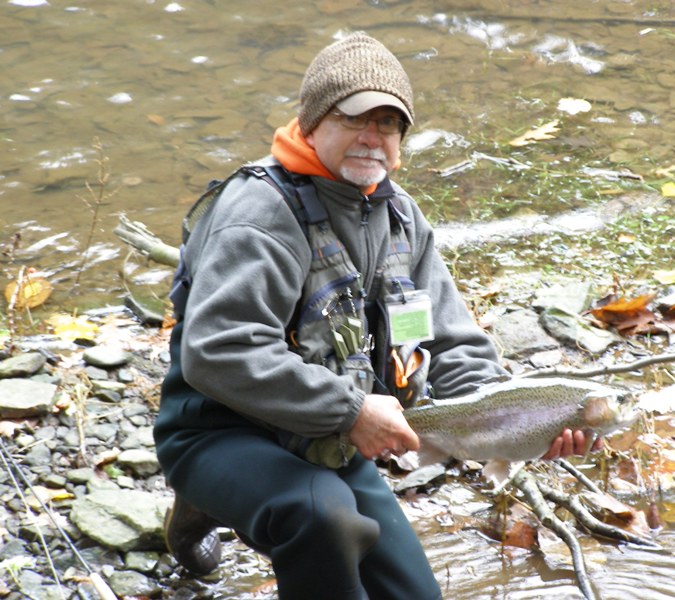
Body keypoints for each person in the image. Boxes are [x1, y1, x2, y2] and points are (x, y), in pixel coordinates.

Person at [154, 32, 597, 600]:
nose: (372, 137)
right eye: (353, 119)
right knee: (324, 520)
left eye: (388, 124)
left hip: (330, 441)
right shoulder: (259, 214)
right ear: (313, 123)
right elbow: (218, 350)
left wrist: (511, 420)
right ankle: (203, 497)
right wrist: (351, 408)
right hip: (219, 432)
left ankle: (228, 504)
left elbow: (454, 343)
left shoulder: (401, 218)